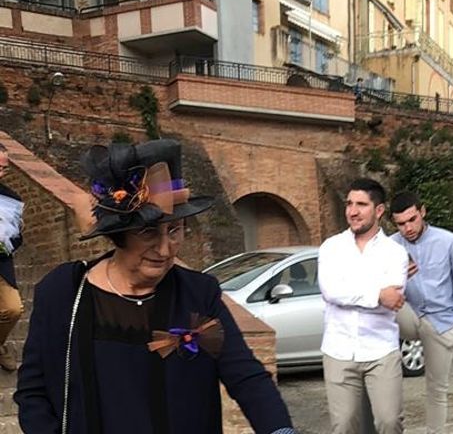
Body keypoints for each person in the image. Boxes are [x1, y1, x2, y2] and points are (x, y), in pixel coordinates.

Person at [15, 139, 296, 434]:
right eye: (149, 231)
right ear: (120, 232)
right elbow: (33, 392)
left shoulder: (199, 295)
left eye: (174, 230)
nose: (165, 249)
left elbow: (246, 377)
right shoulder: (63, 292)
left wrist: (280, 430)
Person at [318, 178, 408, 434]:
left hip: (381, 349)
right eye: (349, 204)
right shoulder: (331, 248)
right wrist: (377, 293)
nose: (352, 211)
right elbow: (331, 291)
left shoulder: (395, 252)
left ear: (379, 210)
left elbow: (392, 300)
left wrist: (363, 293)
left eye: (361, 204)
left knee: (389, 422)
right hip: (339, 349)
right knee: (344, 425)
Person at [389, 191, 453, 434]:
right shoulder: (390, 246)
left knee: (437, 389)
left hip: (440, 321)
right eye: (401, 224)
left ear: (422, 212)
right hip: (407, 315)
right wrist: (400, 275)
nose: (408, 228)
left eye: (412, 219)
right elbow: (381, 290)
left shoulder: (449, 241)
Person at [0, 143, 24, 372]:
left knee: (13, 309)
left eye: (4, 168)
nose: (1, 171)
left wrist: (5, 244)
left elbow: (19, 237)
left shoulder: (12, 198)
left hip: (0, 263)